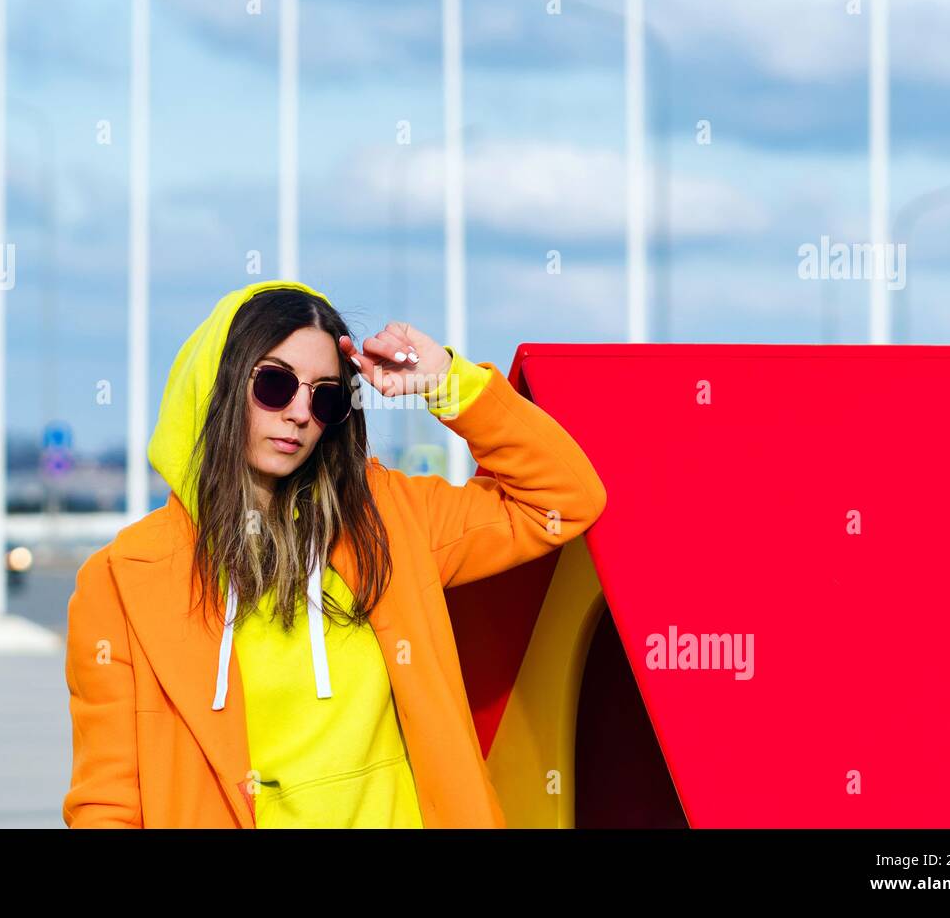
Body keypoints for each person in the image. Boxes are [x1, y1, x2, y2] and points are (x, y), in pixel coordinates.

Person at [62, 278, 606, 828]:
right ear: (220, 386)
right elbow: (106, 804)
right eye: (275, 385)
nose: (300, 413)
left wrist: (447, 382)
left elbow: (565, 499)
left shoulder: (389, 520)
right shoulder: (121, 581)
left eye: (324, 395)